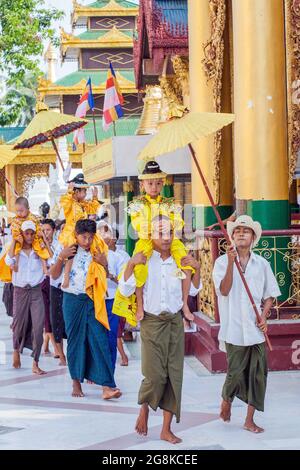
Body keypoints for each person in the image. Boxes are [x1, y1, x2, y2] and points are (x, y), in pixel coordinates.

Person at [119, 215, 201, 444]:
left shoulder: (179, 258)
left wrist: (197, 267)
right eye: (160, 233)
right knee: (154, 375)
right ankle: (144, 407)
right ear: (150, 235)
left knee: (174, 375)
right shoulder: (144, 259)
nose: (166, 238)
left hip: (174, 321)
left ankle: (166, 428)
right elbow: (126, 290)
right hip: (151, 322)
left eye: (169, 233)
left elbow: (194, 290)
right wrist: (131, 264)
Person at [212, 215, 281, 433]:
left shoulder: (262, 264)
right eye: (238, 230)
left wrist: (264, 314)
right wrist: (232, 263)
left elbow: (270, 294)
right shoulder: (222, 262)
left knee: (258, 375)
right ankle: (226, 399)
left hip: (255, 330)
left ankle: (249, 419)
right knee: (235, 372)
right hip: (233, 328)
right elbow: (223, 290)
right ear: (231, 237)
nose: (242, 233)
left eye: (246, 231)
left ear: (253, 238)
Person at [116, 161, 195, 327]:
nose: (154, 187)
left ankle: (185, 303)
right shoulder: (137, 204)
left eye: (158, 183)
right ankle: (140, 305)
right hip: (146, 241)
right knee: (139, 269)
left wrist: (170, 225)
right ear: (142, 184)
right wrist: (153, 227)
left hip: (169, 239)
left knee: (186, 264)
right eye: (150, 183)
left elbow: (179, 222)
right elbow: (136, 225)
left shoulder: (169, 203)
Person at [50, 219, 121, 399]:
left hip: (93, 299)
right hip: (72, 299)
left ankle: (107, 386)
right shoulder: (66, 247)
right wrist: (61, 257)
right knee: (75, 340)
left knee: (100, 339)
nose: (87, 241)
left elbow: (104, 275)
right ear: (76, 234)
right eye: (83, 237)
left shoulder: (97, 249)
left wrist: (104, 263)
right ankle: (76, 383)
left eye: (90, 237)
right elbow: (54, 274)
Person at [5, 220, 47, 375]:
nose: (29, 236)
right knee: (18, 324)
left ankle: (35, 362)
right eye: (26, 233)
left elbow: (52, 260)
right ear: (22, 234)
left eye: (32, 233)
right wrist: (15, 242)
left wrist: (44, 242)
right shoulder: (16, 250)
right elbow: (8, 261)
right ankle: (16, 349)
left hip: (36, 291)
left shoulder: (39, 250)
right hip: (20, 291)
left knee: (38, 327)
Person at [59, 174, 102, 289]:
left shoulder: (83, 204)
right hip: (72, 232)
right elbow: (64, 202)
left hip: (84, 231)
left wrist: (95, 197)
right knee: (71, 254)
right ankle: (66, 277)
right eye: (84, 191)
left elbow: (93, 209)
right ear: (76, 192)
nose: (86, 194)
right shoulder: (70, 203)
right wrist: (69, 192)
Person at [98, 221, 130, 370]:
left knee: (112, 337)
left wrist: (109, 275)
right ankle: (95, 370)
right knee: (96, 338)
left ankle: (109, 371)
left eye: (106, 233)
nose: (104, 236)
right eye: (100, 233)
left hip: (113, 300)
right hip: (95, 301)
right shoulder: (92, 254)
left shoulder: (119, 257)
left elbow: (125, 282)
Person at [0, 197, 50, 281]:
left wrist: (41, 241)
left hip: (35, 239)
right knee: (16, 250)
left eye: (21, 210)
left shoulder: (33, 218)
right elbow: (14, 230)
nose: (19, 213)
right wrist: (16, 238)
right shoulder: (16, 220)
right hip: (19, 239)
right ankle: (16, 264)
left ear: (28, 209)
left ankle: (44, 267)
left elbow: (38, 229)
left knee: (40, 249)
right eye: (17, 211)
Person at [41, 219, 64, 362]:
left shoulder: (59, 244)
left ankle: (56, 349)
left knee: (61, 320)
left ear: (54, 230)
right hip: (48, 284)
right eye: (43, 230)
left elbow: (53, 260)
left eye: (48, 230)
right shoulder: (40, 245)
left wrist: (46, 244)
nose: (45, 233)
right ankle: (60, 354)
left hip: (60, 284)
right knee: (52, 319)